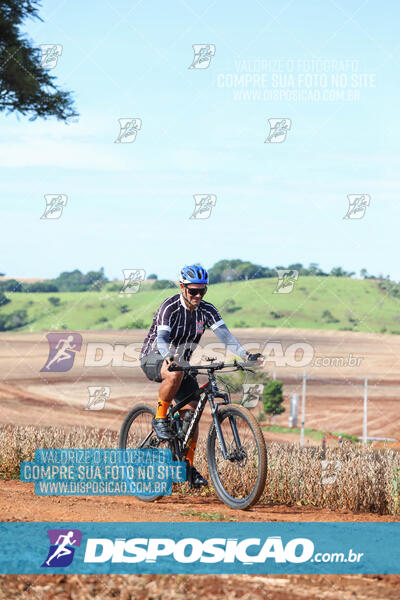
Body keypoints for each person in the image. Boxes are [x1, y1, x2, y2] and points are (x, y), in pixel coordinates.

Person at [139, 263, 263, 488]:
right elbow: (162, 339)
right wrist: (168, 356)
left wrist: (246, 355)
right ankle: (159, 417)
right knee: (173, 375)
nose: (198, 295)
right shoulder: (170, 307)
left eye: (202, 291)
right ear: (182, 287)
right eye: (193, 290)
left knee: (193, 412)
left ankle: (186, 468)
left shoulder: (207, 310)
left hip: (182, 364)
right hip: (154, 357)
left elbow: (226, 337)